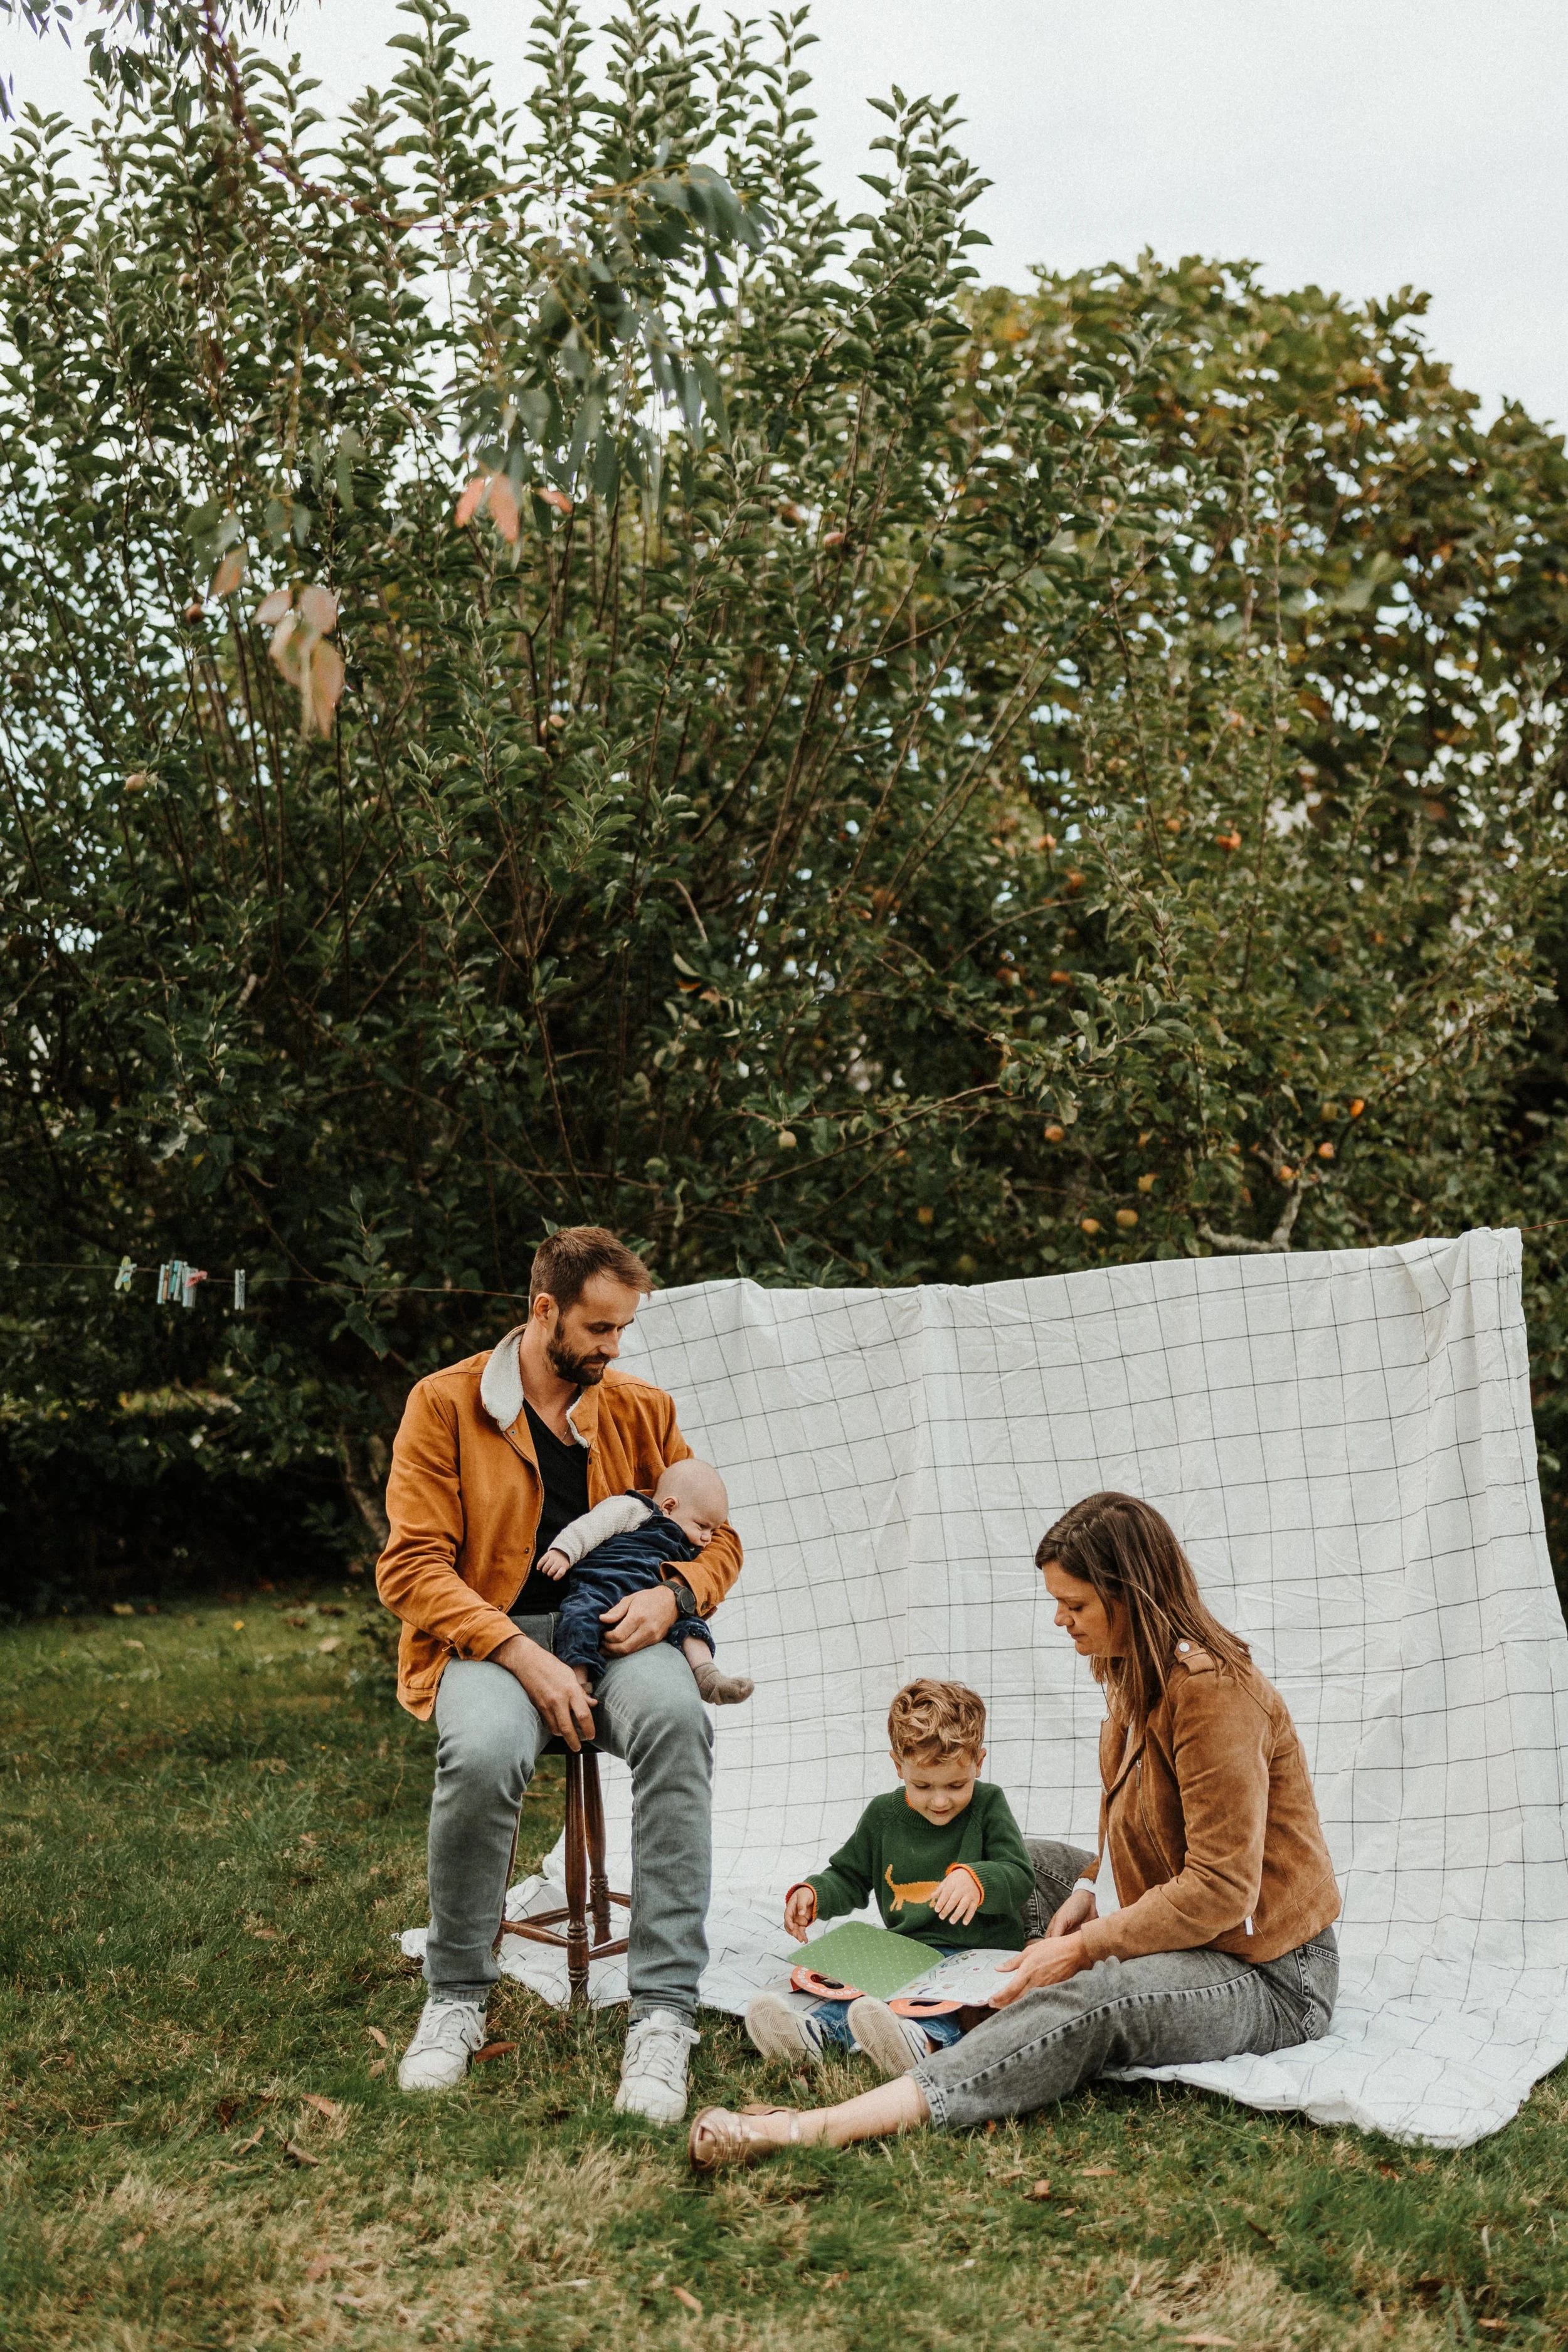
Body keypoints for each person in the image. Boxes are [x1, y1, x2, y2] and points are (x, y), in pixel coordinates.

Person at [688, 1491, 1340, 2169]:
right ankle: (915, 2015)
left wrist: (1085, 1946)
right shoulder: (1132, 1676)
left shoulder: (1213, 1694)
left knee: (1098, 1994)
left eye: (1076, 1604)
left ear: (1132, 1597)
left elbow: (1220, 1890)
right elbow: (1124, 1824)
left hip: (1269, 1971)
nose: (1059, 1619)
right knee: (995, 1861)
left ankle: (829, 2121)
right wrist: (1089, 1889)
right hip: (1182, 1912)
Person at [376, 1225, 742, 2122]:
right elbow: (411, 1568)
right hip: (488, 1640)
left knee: (680, 1723)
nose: (615, 1349)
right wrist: (521, 1651)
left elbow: (716, 1532)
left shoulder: (641, 1410)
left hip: (620, 1633)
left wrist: (674, 1594)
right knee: (483, 1753)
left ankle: (662, 2013)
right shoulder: (443, 1404)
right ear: (546, 1311)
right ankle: (456, 1993)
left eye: (624, 1331)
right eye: (601, 1329)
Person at [743, 1678, 1034, 2078]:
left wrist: (978, 1879)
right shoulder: (883, 1816)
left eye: (956, 1784)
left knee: (938, 2007)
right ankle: (814, 2036)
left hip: (978, 1957)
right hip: (907, 1951)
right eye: (922, 1785)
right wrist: (816, 1894)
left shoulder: (988, 1805)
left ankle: (918, 2042)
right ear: (898, 1766)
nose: (940, 1800)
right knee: (858, 1992)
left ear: (978, 1762)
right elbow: (849, 1874)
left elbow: (1020, 1876)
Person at [536, 1459, 754, 1706]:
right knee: (579, 1617)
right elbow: (592, 1526)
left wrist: (674, 1598)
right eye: (702, 1526)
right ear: (669, 1507)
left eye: (713, 1531)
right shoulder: (635, 1510)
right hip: (605, 1584)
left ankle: (708, 1677)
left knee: (690, 1626)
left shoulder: (691, 1543)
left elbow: (721, 1557)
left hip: (653, 1596)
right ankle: (578, 1685)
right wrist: (564, 1552)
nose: (707, 1538)